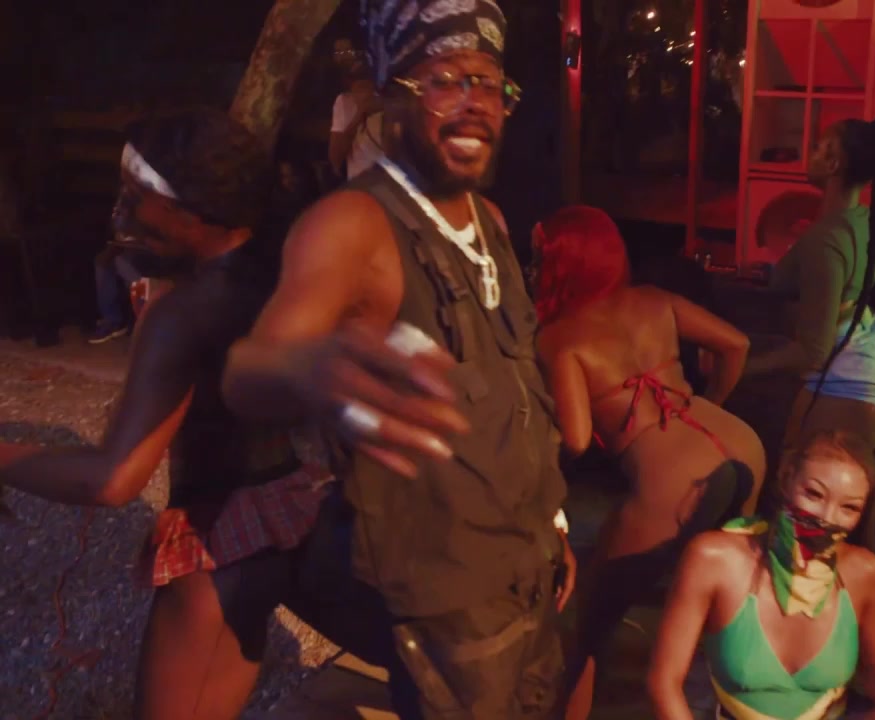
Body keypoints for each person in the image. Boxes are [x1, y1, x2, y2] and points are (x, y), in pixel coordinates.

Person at [220, 3, 573, 717]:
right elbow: (250, 370)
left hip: (530, 563)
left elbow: (518, 391)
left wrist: (556, 525)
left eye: (489, 82)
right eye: (444, 80)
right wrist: (311, 368)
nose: (475, 101)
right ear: (391, 95)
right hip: (446, 595)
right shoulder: (352, 223)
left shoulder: (491, 222)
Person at [0, 110, 387, 718]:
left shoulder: (187, 312)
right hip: (292, 510)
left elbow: (112, 479)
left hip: (219, 544)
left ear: (198, 211)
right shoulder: (284, 270)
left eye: (137, 196)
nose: (120, 213)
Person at [532, 205, 766, 718]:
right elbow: (737, 344)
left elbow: (576, 438)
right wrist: (709, 405)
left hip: (673, 480)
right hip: (742, 446)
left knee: (584, 622)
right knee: (728, 604)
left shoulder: (558, 338)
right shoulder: (655, 299)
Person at [646, 429, 875, 720]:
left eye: (849, 507)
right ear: (786, 479)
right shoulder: (715, 559)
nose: (827, 517)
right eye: (814, 494)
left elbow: (873, 666)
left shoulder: (864, 572)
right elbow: (664, 682)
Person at [745, 118, 875, 550]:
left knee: (806, 491)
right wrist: (849, 297)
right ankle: (859, 579)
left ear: (834, 162)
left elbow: (813, 351)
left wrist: (739, 365)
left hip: (846, 373)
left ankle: (809, 584)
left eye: (820, 146)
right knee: (853, 492)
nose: (811, 152)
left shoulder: (826, 237)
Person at [329, 60, 385, 181]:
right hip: (360, 183)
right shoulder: (344, 102)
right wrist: (359, 115)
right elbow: (335, 160)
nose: (365, 93)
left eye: (367, 86)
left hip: (388, 184)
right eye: (360, 87)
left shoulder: (391, 104)